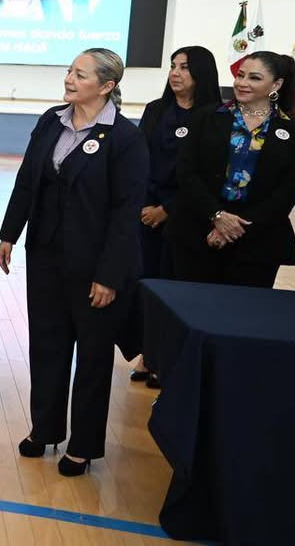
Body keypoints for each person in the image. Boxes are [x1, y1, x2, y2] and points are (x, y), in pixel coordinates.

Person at [0, 48, 148, 477]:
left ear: (106, 86)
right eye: (69, 71)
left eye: (79, 75)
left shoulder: (124, 138)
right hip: (45, 256)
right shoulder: (51, 121)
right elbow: (28, 180)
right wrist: (10, 233)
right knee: (47, 345)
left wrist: (109, 275)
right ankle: (44, 429)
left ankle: (81, 446)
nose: (69, 78)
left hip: (96, 268)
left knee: (94, 358)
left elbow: (126, 214)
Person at [168, 51, 295, 289]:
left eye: (254, 78)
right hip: (197, 235)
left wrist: (235, 227)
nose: (242, 83)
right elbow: (186, 172)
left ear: (276, 84)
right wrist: (217, 216)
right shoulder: (206, 117)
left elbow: (288, 189)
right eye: (240, 75)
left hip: (256, 244)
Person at [129, 46, 219, 385]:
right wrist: (143, 206)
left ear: (202, 74)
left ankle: (171, 361)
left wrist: (168, 209)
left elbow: (207, 175)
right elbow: (138, 160)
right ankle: (148, 355)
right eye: (172, 66)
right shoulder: (156, 111)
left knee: (178, 290)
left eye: (184, 67)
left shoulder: (215, 116)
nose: (176, 73)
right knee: (147, 287)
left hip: (186, 220)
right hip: (145, 215)